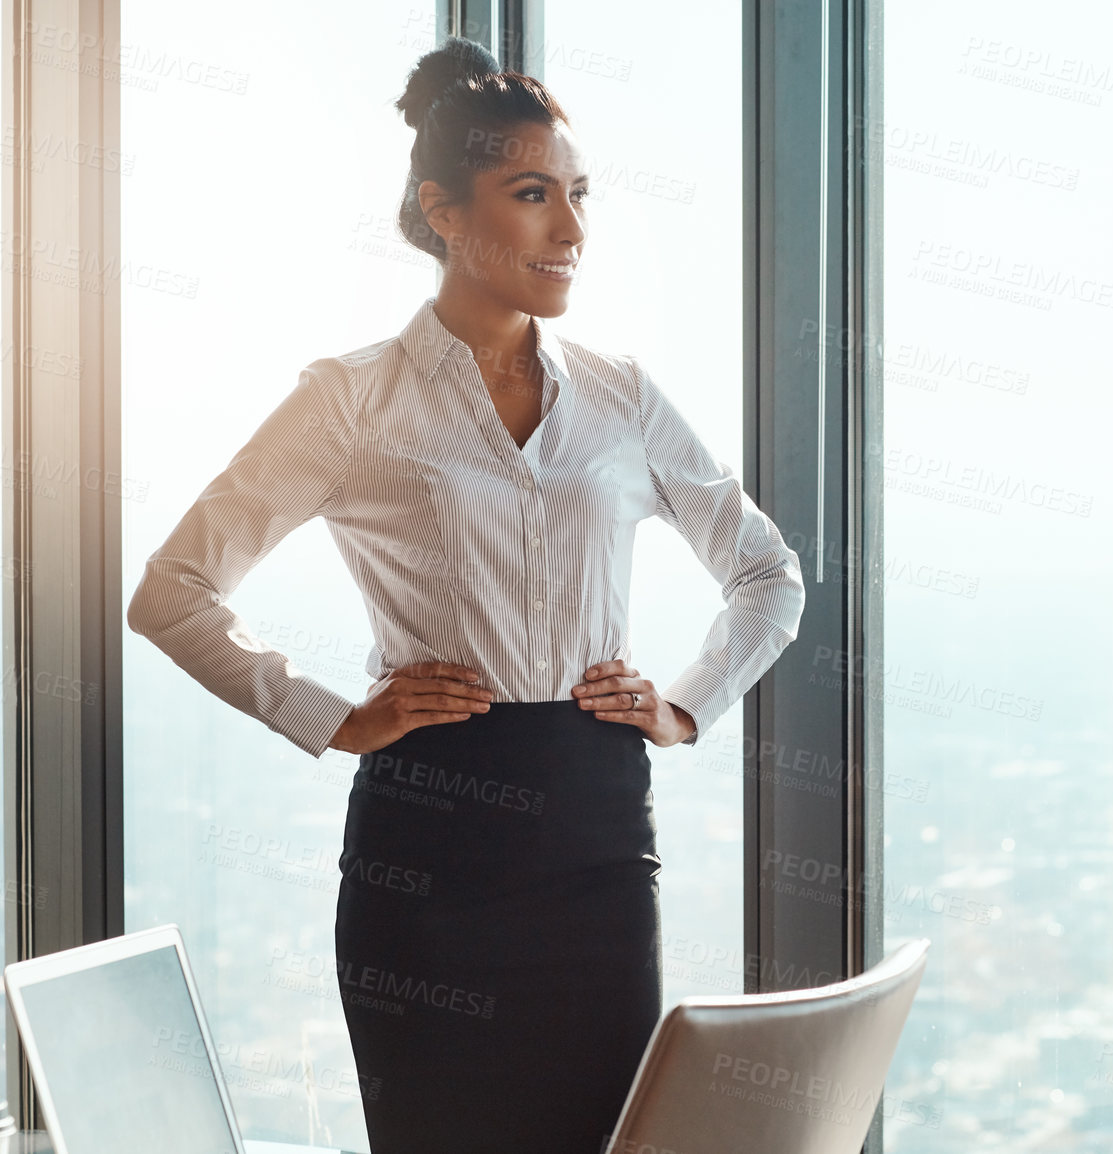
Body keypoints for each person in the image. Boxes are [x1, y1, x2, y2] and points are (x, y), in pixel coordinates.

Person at [124, 36, 805, 1154]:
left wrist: (683, 705)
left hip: (598, 829)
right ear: (443, 211)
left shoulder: (622, 396)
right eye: (532, 194)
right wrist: (334, 717)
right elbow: (173, 590)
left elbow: (767, 572)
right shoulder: (351, 399)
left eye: (577, 196)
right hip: (427, 840)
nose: (571, 230)